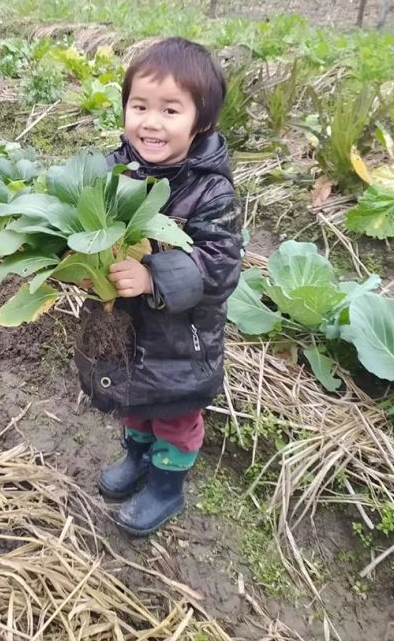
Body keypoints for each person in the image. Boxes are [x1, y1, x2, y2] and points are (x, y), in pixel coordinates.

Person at [75, 37, 242, 536]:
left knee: (175, 417)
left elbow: (220, 267)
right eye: (139, 106)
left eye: (171, 110)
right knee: (133, 400)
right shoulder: (114, 169)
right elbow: (82, 231)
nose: (151, 122)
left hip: (181, 340)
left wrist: (152, 276)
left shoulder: (211, 189)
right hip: (128, 327)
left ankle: (166, 488)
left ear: (202, 122)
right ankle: (137, 458)